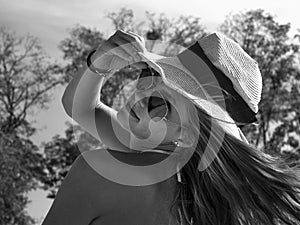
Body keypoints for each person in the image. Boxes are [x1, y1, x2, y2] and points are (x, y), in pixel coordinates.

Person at [42, 30, 300, 225]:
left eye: (158, 103)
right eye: (147, 79)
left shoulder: (99, 173)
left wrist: (98, 65)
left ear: (188, 135)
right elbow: (80, 108)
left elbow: (79, 107)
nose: (139, 99)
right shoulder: (218, 209)